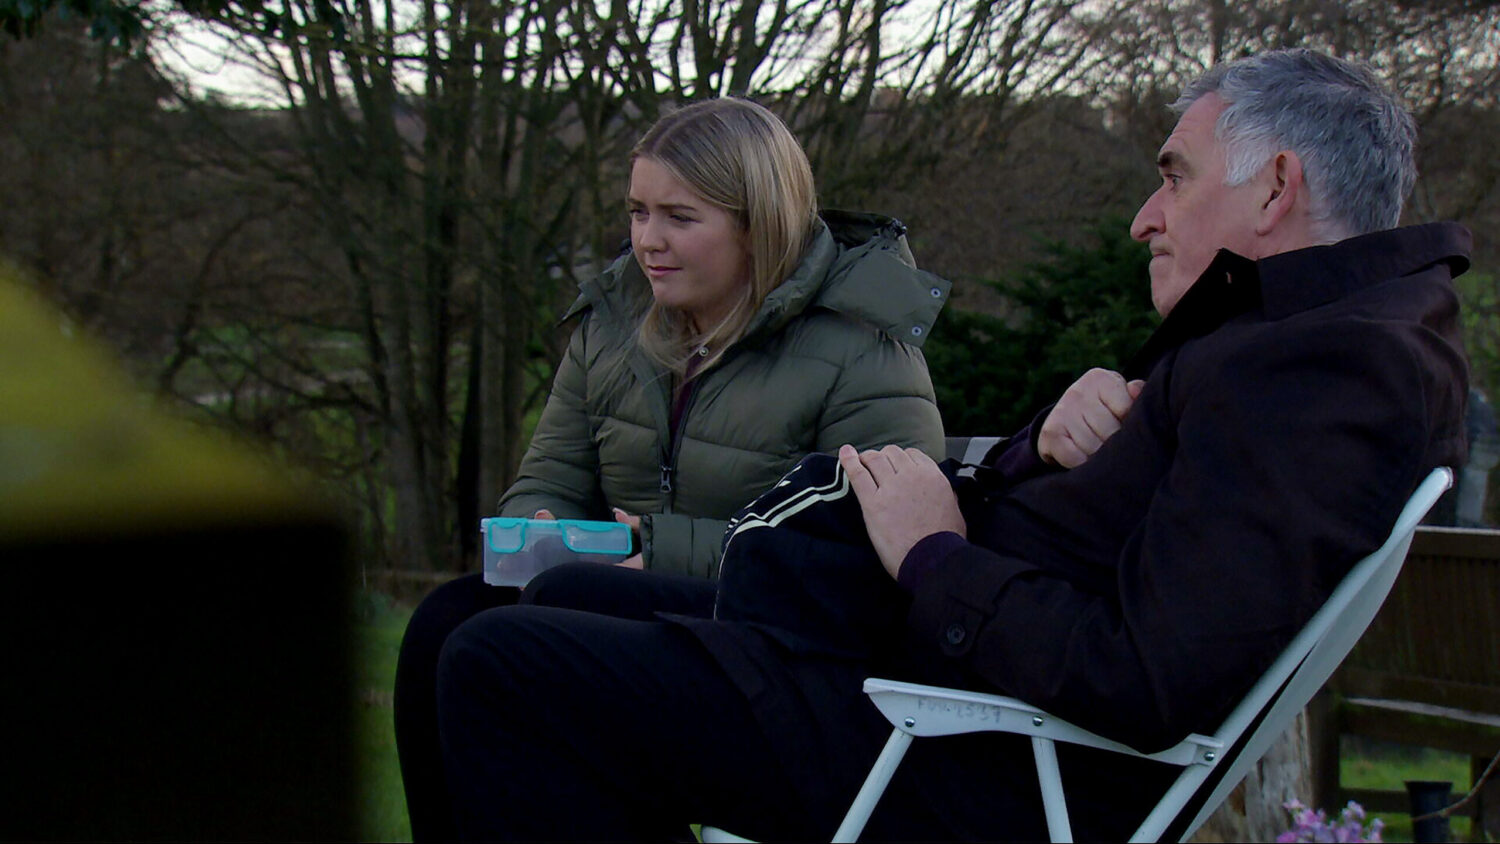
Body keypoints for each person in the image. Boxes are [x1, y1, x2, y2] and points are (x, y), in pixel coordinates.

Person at [433, 48, 1471, 841]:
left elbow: (1147, 680)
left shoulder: (1331, 370)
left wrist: (934, 553)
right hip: (938, 684)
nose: (1144, 218)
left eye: (1175, 176)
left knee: (503, 663)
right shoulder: (1293, 342)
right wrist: (1042, 451)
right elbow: (1130, 563)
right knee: (516, 604)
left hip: (981, 749)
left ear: (1276, 187)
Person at [394, 97, 949, 840]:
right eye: (637, 212)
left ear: (759, 223)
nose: (648, 241)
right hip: (624, 606)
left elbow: (870, 559)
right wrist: (541, 523)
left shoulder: (861, 346)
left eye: (680, 218)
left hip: (781, 651)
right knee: (446, 620)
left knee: (520, 654)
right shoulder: (613, 326)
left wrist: (663, 548)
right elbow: (552, 471)